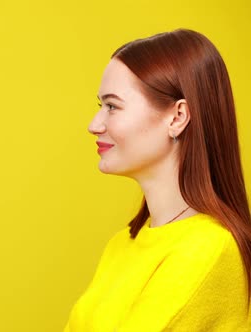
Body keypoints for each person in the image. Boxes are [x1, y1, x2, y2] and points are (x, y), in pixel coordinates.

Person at [65, 29, 251, 331]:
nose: (94, 124)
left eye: (112, 106)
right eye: (101, 106)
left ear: (177, 117)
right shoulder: (123, 243)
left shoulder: (210, 250)